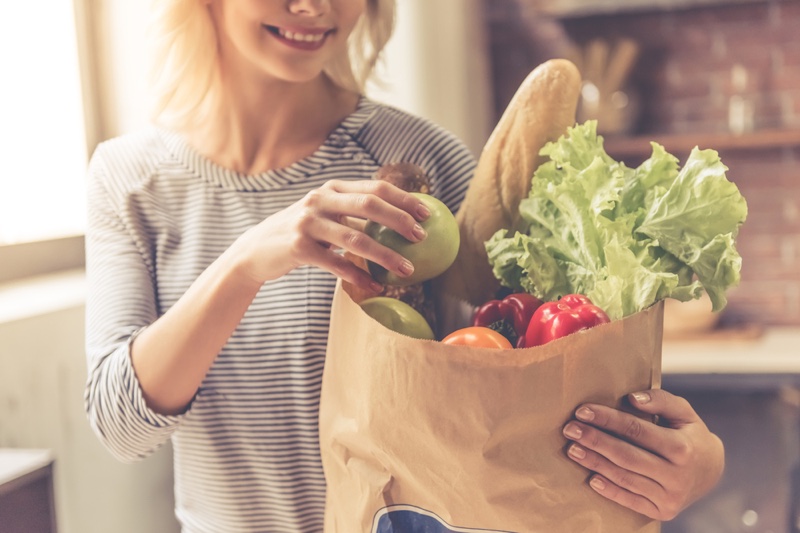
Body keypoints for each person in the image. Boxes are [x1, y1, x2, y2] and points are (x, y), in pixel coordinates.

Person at [83, 0, 723, 531]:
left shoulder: (416, 159)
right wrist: (248, 260)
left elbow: (528, 374)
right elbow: (119, 427)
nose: (315, 7)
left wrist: (696, 459)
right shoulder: (131, 180)